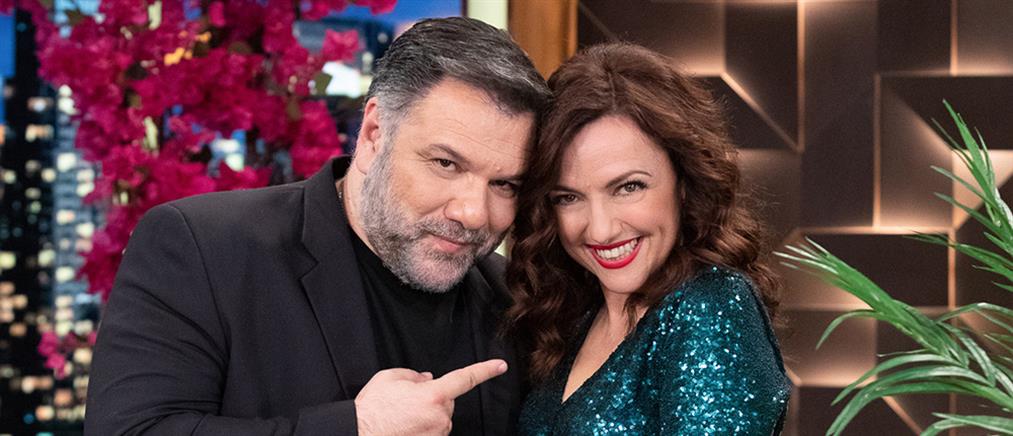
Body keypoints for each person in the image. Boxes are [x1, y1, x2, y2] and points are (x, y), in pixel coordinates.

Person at [85, 17, 549, 436]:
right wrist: (358, 427)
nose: (473, 213)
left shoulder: (513, 295)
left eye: (504, 184)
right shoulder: (201, 248)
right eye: (446, 164)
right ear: (374, 135)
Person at [505, 43, 791, 435]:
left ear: (684, 182)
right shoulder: (577, 314)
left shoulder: (711, 304)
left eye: (628, 187)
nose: (600, 229)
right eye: (568, 197)